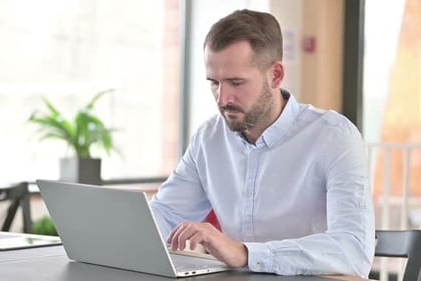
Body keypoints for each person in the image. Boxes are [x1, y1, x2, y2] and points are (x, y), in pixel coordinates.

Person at [149, 9, 374, 278]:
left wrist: (245, 253)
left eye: (236, 82)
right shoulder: (209, 138)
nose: (222, 99)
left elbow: (353, 251)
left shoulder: (335, 137)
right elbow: (163, 215)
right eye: (214, 83)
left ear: (276, 75)